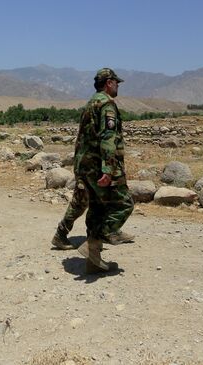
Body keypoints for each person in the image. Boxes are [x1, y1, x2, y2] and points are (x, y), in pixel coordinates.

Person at [51, 68, 135, 273]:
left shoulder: (90, 103)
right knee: (124, 204)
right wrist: (107, 168)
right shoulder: (106, 105)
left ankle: (93, 261)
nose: (118, 86)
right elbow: (107, 137)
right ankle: (95, 241)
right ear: (108, 83)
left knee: (97, 208)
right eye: (116, 82)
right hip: (99, 166)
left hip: (85, 165)